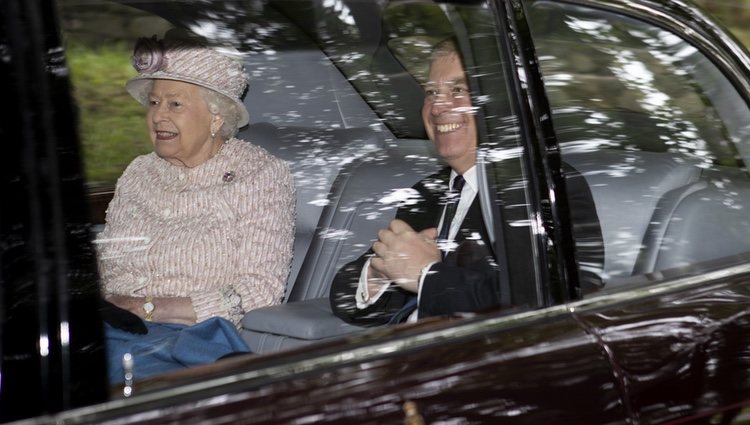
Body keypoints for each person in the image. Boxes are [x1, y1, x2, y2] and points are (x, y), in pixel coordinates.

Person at [94, 31, 295, 383]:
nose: (158, 117)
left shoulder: (260, 174)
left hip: (189, 345)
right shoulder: (138, 172)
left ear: (216, 117)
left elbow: (261, 290)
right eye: (154, 103)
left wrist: (150, 308)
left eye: (175, 104)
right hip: (111, 328)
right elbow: (109, 257)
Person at [329, 39, 502, 326]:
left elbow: (530, 307)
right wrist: (379, 273)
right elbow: (344, 295)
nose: (437, 107)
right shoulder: (427, 192)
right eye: (432, 92)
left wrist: (428, 274)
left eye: (458, 90)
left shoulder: (538, 192)